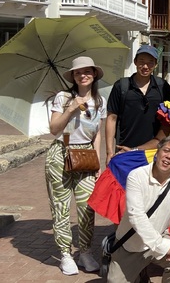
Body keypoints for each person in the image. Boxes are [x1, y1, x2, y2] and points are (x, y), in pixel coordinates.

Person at [106, 135, 170, 283]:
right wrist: (162, 245)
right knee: (114, 281)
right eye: (166, 150)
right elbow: (136, 215)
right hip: (131, 243)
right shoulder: (136, 176)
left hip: (160, 235)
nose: (169, 156)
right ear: (157, 152)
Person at [46, 56, 106, 275]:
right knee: (60, 207)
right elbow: (54, 128)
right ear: (73, 76)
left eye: (87, 71)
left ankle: (85, 252)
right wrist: (71, 109)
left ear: (94, 74)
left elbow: (97, 133)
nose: (83, 75)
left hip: (86, 156)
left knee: (87, 207)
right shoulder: (63, 97)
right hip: (61, 153)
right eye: (78, 72)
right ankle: (64, 254)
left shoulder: (100, 101)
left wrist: (98, 159)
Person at [105, 45, 170, 162]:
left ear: (155, 64)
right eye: (141, 62)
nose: (145, 66)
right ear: (135, 62)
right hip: (124, 149)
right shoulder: (121, 86)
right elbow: (111, 118)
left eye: (150, 63)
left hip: (155, 151)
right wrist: (109, 152)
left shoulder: (162, 87)